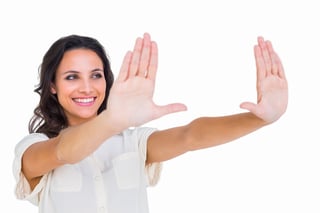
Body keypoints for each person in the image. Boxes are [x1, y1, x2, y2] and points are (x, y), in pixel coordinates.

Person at [12, 32, 288, 213]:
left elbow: (191, 135)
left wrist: (260, 119)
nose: (87, 87)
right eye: (72, 77)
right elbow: (65, 151)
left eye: (96, 75)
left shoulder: (133, 142)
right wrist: (111, 120)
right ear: (52, 86)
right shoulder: (34, 147)